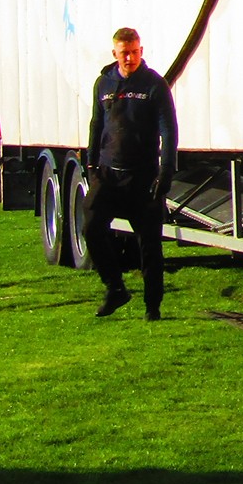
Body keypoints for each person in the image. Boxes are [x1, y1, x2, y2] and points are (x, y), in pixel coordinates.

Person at [82, 27, 178, 320]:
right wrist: (91, 165)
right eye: (124, 52)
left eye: (135, 52)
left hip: (143, 176)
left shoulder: (154, 85)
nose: (130, 57)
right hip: (108, 175)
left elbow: (169, 131)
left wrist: (165, 174)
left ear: (141, 51)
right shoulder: (103, 83)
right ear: (115, 54)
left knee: (149, 244)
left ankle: (153, 307)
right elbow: (96, 125)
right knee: (91, 227)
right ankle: (115, 288)